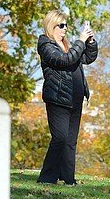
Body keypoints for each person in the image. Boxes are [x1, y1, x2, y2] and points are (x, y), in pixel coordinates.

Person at [36, 10, 98, 185]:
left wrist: (90, 42)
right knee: (60, 138)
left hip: (75, 98)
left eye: (65, 25)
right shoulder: (46, 45)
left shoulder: (67, 44)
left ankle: (68, 178)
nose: (64, 29)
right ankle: (47, 178)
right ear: (51, 26)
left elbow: (87, 58)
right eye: (61, 25)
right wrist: (80, 41)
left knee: (70, 141)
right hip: (57, 99)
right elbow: (65, 61)